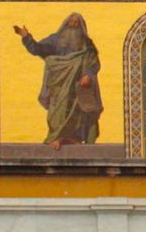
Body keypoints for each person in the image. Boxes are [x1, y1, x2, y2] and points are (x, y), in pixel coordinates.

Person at [15, 15, 102, 147]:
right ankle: (56, 137)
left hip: (78, 85)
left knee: (80, 112)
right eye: (71, 22)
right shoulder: (55, 40)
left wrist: (89, 75)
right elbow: (38, 49)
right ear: (65, 24)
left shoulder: (87, 43)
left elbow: (93, 61)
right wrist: (26, 37)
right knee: (58, 111)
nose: (74, 24)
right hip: (59, 84)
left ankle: (73, 138)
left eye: (77, 23)